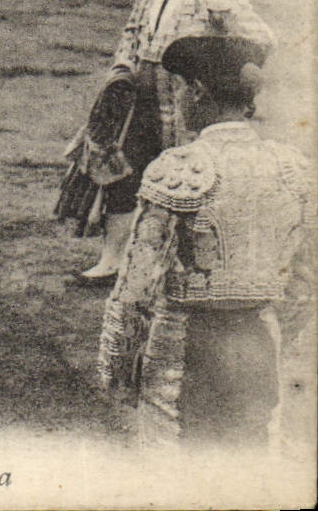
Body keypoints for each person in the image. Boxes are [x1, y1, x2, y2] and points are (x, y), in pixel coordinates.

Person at [97, 35, 312, 446]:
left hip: (183, 345)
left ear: (195, 91)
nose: (174, 100)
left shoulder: (179, 167)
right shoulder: (292, 168)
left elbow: (135, 291)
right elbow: (307, 283)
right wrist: (275, 335)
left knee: (176, 470)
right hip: (259, 343)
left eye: (177, 87)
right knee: (252, 465)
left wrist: (120, 374)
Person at [72, 0, 275, 285]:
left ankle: (186, 266)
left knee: (186, 175)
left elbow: (260, 40)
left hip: (187, 97)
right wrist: (121, 69)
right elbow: (132, 32)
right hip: (138, 93)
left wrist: (221, 70)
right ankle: (113, 261)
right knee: (122, 171)